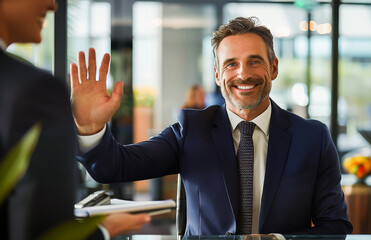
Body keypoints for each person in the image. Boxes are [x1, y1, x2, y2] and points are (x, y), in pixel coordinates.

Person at [72, 17, 353, 236]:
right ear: (218, 75)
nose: (243, 73)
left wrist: (277, 239)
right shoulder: (191, 129)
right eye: (231, 64)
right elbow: (114, 166)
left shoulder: (313, 138)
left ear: (274, 67)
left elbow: (335, 227)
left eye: (255, 61)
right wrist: (91, 128)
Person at [0, 0, 151, 239]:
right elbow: (47, 232)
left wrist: (88, 129)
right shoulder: (33, 90)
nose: (52, 5)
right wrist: (103, 230)